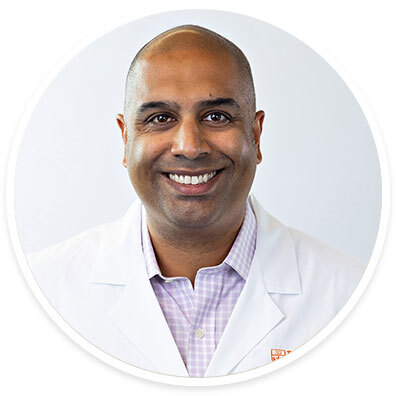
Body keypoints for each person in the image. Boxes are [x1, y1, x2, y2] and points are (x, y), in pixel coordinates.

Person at [27, 25, 365, 377]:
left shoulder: (353, 297)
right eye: (160, 118)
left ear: (255, 134)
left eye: (216, 117)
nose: (189, 146)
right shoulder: (37, 294)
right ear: (126, 138)